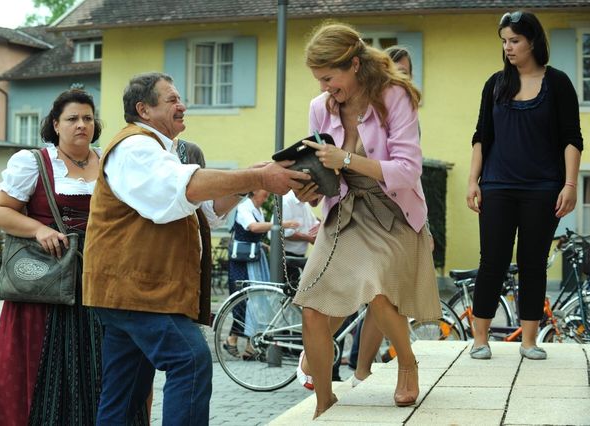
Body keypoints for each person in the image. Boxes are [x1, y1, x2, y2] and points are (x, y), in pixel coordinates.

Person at [82, 72, 308, 425]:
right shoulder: (135, 146)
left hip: (130, 291)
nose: (182, 105)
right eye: (172, 99)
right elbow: (186, 189)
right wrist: (259, 178)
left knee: (124, 392)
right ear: (143, 109)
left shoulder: (158, 150)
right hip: (137, 291)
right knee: (189, 358)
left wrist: (250, 180)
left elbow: (207, 211)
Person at [292, 23, 441, 418]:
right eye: (319, 80)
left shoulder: (394, 96)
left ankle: (406, 362)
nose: (325, 88)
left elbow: (408, 170)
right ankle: (324, 401)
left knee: (375, 286)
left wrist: (345, 159)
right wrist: (309, 188)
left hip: (391, 210)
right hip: (344, 210)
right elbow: (325, 172)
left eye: (329, 78)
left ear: (354, 65)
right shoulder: (320, 107)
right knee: (311, 305)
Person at [0, 89, 139, 425]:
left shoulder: (111, 162)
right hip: (49, 286)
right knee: (48, 371)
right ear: (56, 124)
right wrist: (38, 230)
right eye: (72, 119)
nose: (81, 124)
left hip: (102, 282)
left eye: (87, 118)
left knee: (106, 368)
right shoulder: (34, 162)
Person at [466, 11, 583, 361]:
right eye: (504, 41)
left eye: (514, 40)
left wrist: (570, 184)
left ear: (532, 41)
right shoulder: (495, 84)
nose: (508, 47)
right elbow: (481, 136)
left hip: (543, 189)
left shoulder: (558, 83)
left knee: (532, 263)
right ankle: (480, 340)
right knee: (492, 262)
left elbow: (572, 138)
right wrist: (473, 180)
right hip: (497, 187)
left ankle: (529, 341)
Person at [349, 44, 425, 384]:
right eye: (397, 70)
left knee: (383, 295)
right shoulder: (358, 107)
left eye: (407, 72)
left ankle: (366, 369)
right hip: (363, 211)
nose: (403, 78)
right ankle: (355, 365)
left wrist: (423, 224)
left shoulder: (403, 111)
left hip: (398, 212)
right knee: (376, 293)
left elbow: (411, 174)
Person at [223, 189, 298, 358]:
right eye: (264, 190)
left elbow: (253, 234)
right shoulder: (244, 208)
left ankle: (248, 346)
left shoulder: (258, 210)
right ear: (255, 191)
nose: (267, 194)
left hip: (255, 257)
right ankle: (233, 340)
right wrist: (280, 224)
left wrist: (265, 246)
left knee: (257, 300)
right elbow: (252, 227)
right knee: (245, 300)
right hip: (243, 261)